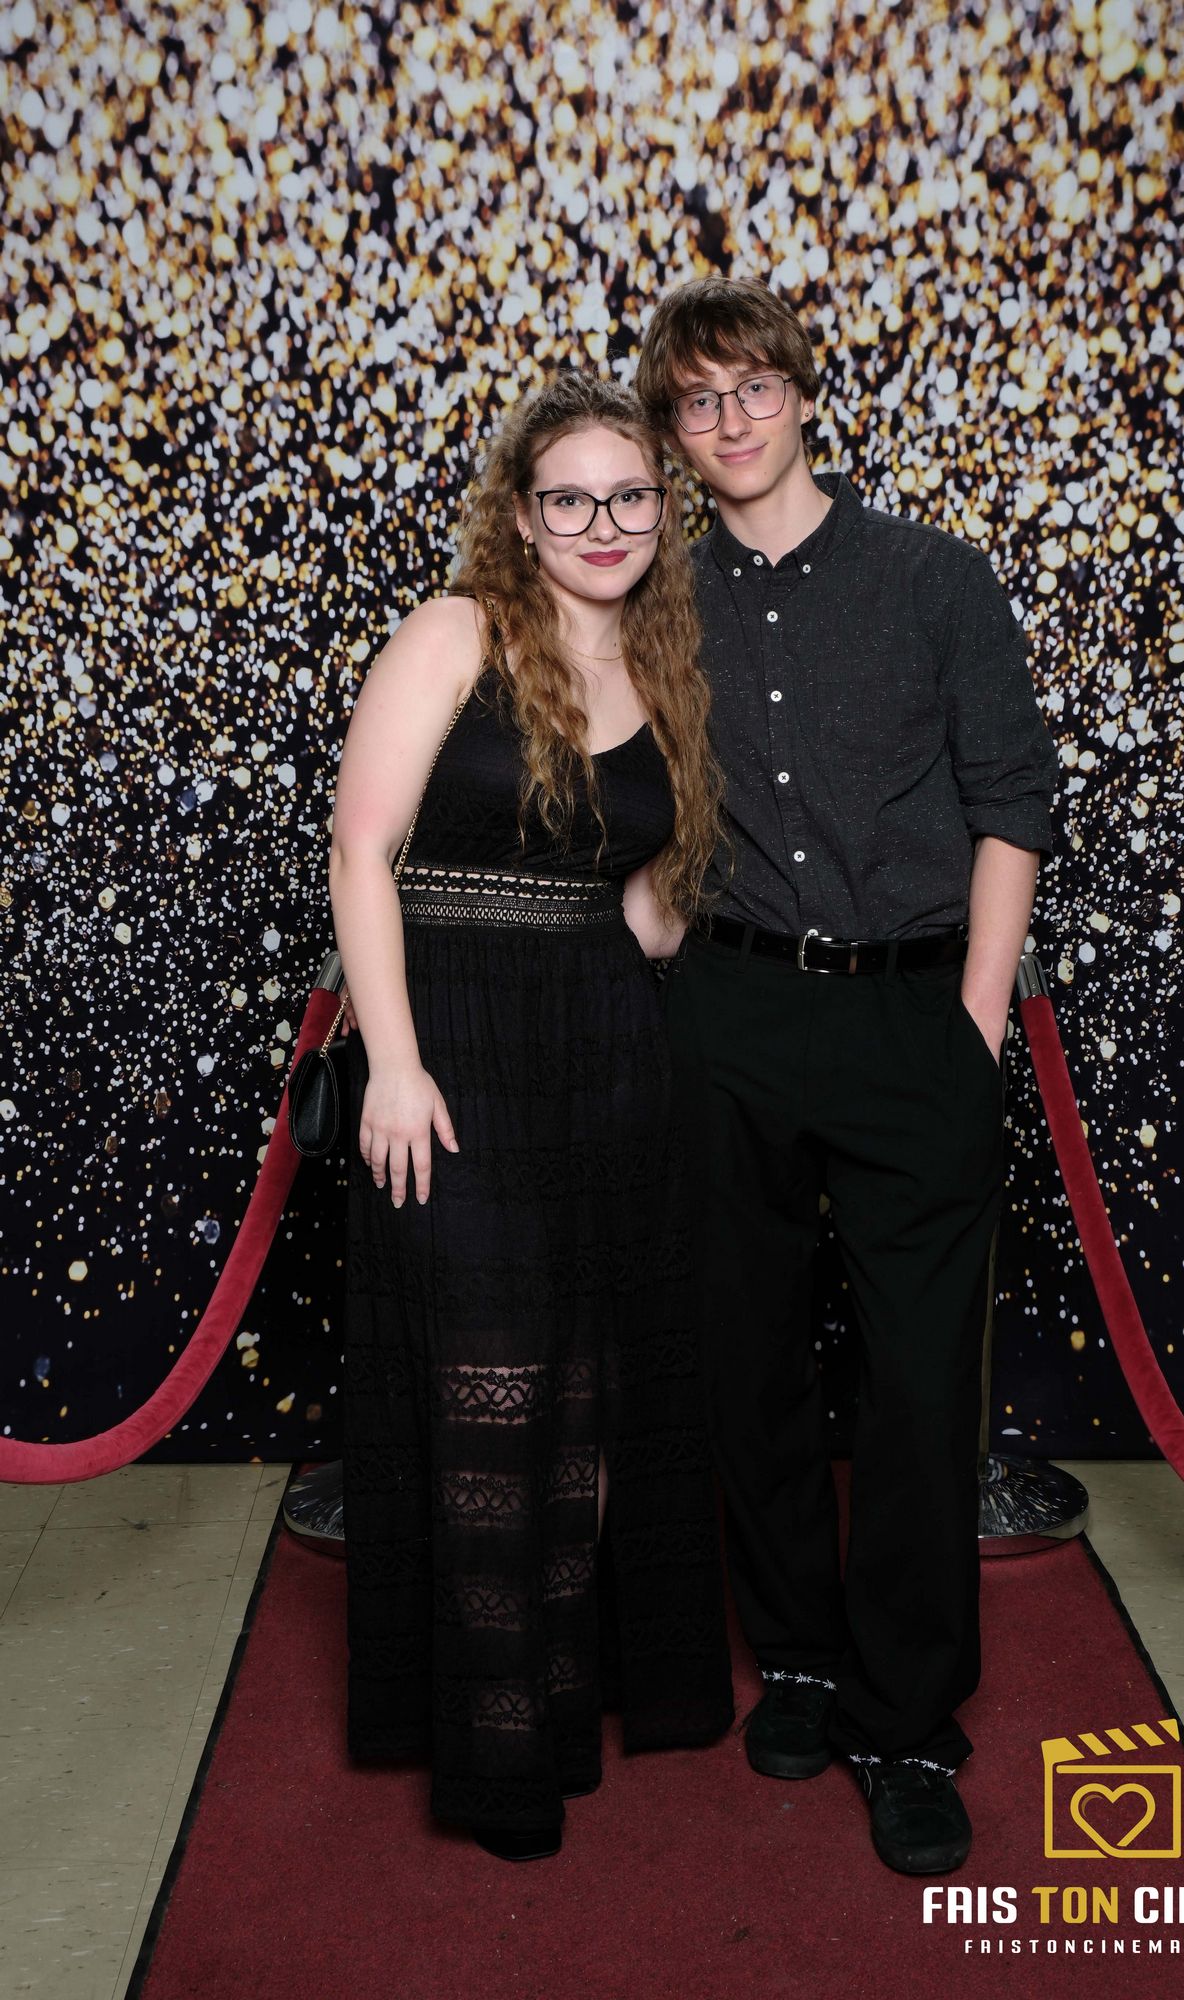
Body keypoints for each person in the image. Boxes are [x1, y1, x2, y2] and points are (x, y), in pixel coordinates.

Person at [634, 277, 1059, 1874]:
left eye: (753, 387)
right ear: (673, 434)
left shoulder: (936, 580)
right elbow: (622, 795)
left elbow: (1010, 804)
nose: (730, 420)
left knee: (916, 1385)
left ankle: (904, 1719)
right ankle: (800, 1659)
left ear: (803, 396)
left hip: (908, 1023)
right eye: (697, 401)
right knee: (742, 1362)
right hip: (728, 1014)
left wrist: (971, 1022)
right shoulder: (656, 602)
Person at [327, 369, 733, 1862]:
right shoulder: (456, 633)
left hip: (606, 1058)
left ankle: (561, 1705)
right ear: (521, 514)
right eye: (571, 499)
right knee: (485, 1394)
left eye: (630, 497)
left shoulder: (663, 662)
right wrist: (394, 1063)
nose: (603, 524)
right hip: (454, 1054)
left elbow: (638, 904)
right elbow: (362, 852)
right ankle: (495, 1752)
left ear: (662, 509)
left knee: (586, 1395)